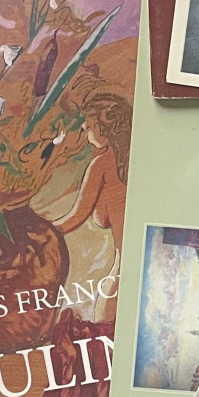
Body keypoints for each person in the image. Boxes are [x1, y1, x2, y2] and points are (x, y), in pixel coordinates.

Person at [58, 92, 131, 320]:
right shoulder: (138, 160)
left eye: (88, 127)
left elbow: (74, 218)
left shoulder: (102, 164)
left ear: (104, 128)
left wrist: (37, 231)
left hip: (124, 270)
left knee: (105, 322)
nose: (86, 133)